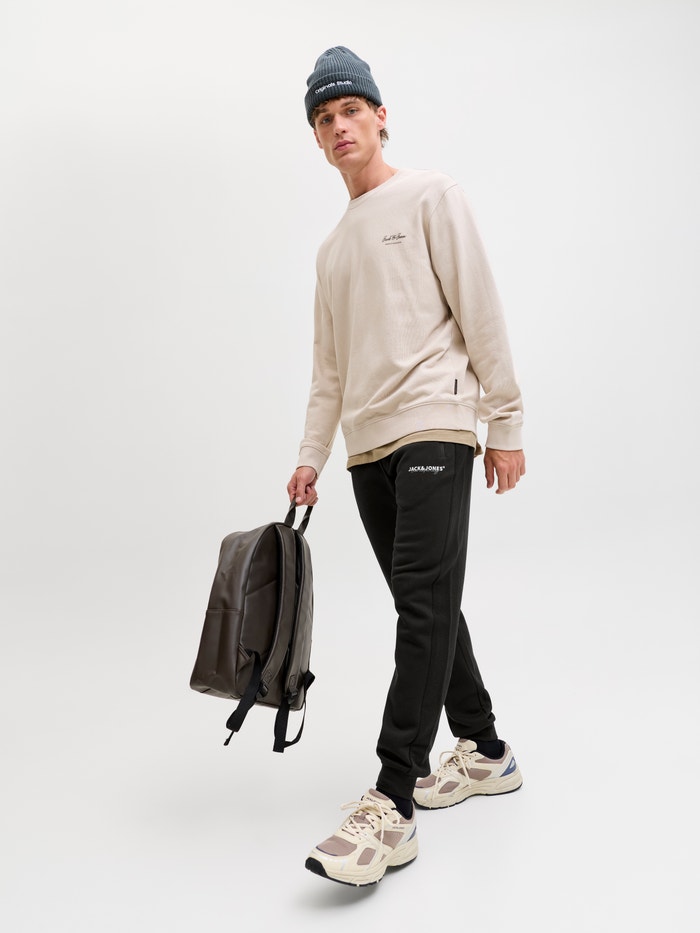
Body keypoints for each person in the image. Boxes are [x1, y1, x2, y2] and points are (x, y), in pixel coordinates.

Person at [286, 46, 526, 887]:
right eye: (324, 118)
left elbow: (480, 307)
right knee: (425, 602)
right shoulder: (330, 250)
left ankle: (393, 800)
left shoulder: (430, 196)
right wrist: (311, 456)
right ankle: (485, 749)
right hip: (367, 450)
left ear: (381, 116)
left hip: (435, 424)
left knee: (420, 604)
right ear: (318, 139)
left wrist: (505, 420)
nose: (339, 126)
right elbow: (328, 369)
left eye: (351, 109)